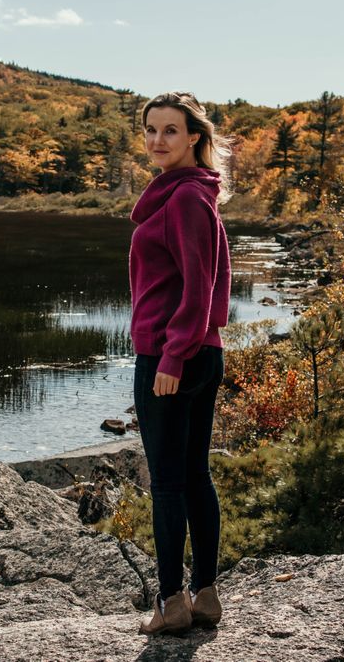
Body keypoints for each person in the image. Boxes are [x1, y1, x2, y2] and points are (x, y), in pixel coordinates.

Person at [130, 91, 232, 637]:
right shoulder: (191, 194)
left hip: (173, 356)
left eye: (170, 130)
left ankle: (171, 602)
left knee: (168, 483)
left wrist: (170, 355)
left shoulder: (187, 199)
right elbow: (211, 290)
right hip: (200, 353)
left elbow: (200, 289)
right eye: (150, 130)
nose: (157, 141)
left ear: (194, 136)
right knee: (193, 475)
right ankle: (206, 596)